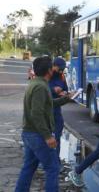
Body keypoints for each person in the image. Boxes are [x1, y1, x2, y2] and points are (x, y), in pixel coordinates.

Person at [15, 56, 72, 192]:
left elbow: (47, 104)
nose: (54, 68)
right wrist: (48, 136)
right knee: (53, 168)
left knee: (29, 167)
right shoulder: (41, 86)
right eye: (52, 66)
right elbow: (37, 113)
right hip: (37, 136)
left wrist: (65, 99)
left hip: (30, 134)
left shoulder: (37, 83)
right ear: (49, 70)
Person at [48, 57, 68, 161]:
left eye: (62, 69)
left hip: (57, 109)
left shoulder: (61, 76)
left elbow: (65, 89)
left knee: (57, 135)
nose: (60, 71)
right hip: (47, 109)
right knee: (47, 136)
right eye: (59, 68)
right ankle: (46, 160)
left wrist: (64, 92)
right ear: (53, 65)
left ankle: (55, 159)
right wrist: (53, 89)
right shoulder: (48, 74)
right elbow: (42, 87)